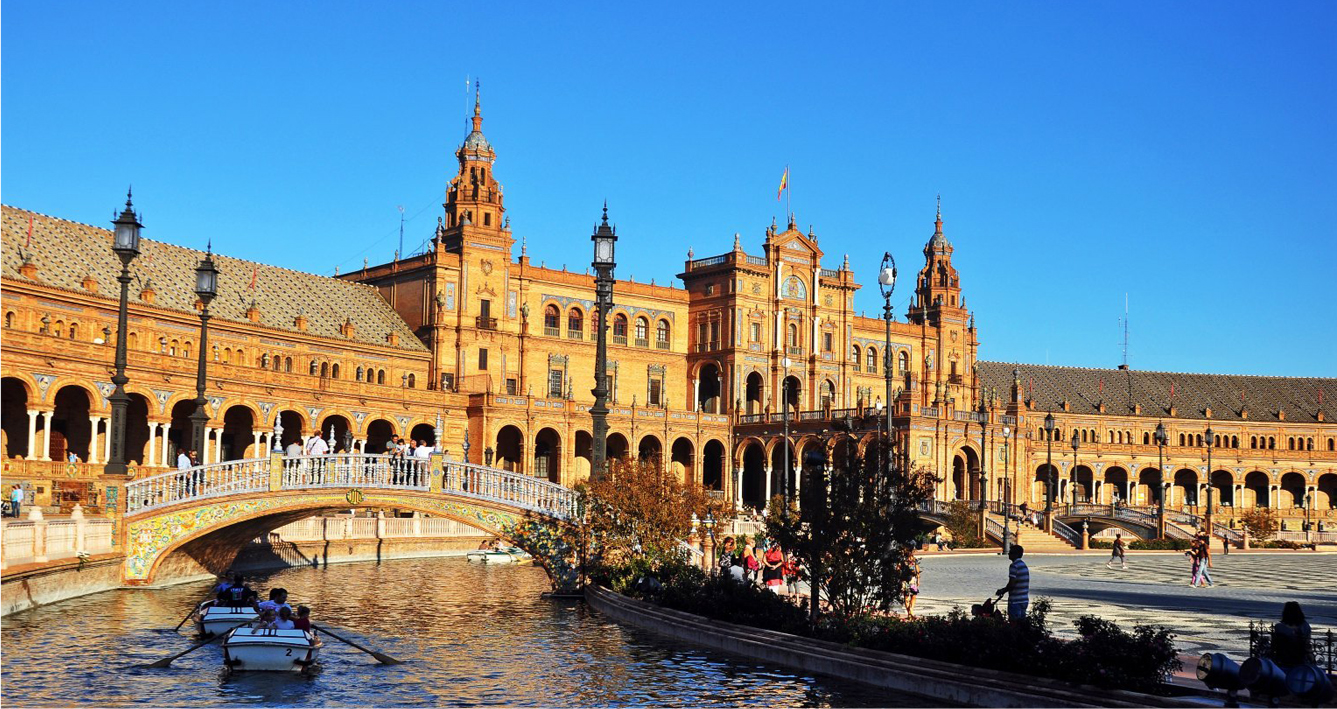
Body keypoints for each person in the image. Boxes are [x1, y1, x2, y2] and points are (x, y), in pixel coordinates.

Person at [1270, 601, 1314, 668]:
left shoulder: (1279, 627)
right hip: (1300, 657)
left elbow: (1274, 644)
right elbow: (1307, 643)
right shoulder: (1305, 626)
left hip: (1283, 658)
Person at [996, 544, 1029, 621]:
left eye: (1011, 553)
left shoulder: (1014, 566)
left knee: (1014, 624)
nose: (1008, 554)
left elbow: (1012, 584)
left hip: (1015, 600)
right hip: (1024, 599)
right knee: (1021, 623)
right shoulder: (1023, 565)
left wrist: (1003, 591)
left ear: (1016, 554)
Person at [905, 548, 921, 618]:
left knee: (914, 595)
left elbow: (917, 570)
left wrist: (918, 580)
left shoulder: (915, 560)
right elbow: (898, 569)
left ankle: (911, 610)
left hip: (913, 580)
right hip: (904, 580)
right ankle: (909, 613)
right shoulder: (903, 561)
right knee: (906, 597)